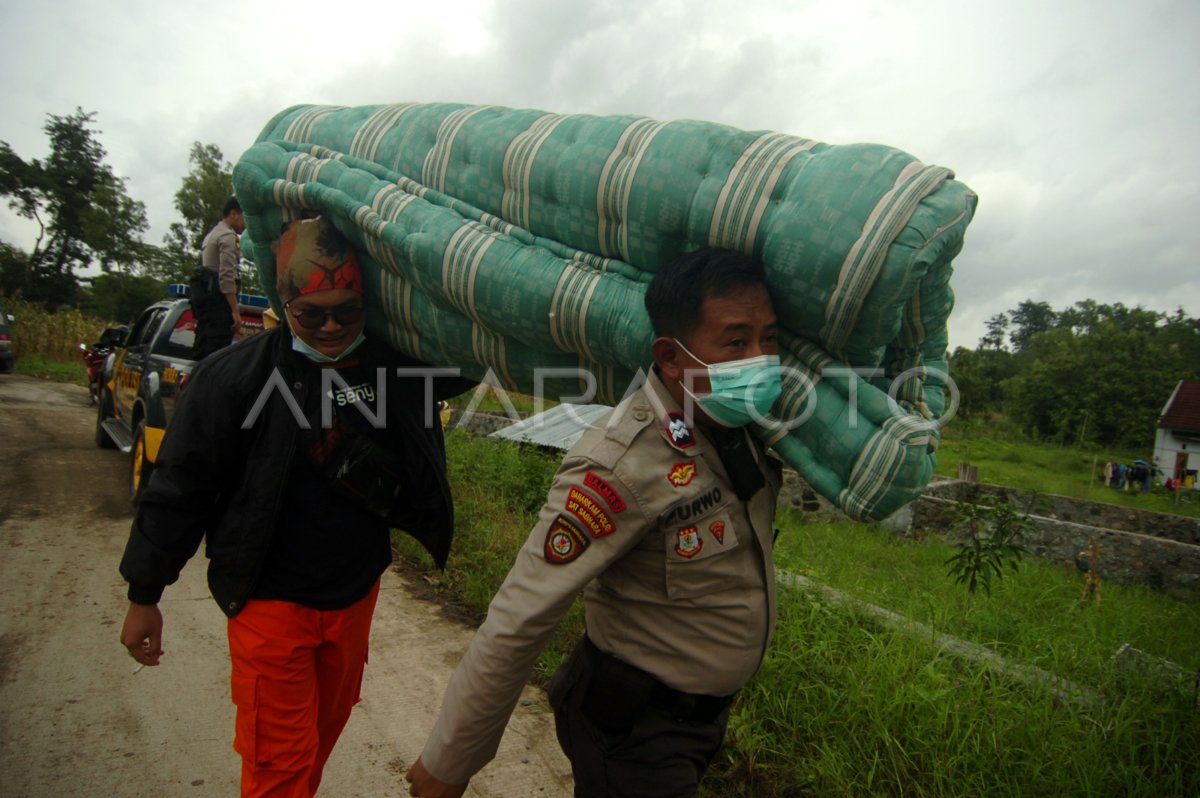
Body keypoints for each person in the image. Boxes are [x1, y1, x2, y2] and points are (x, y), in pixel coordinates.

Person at [406, 248, 784, 798]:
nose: (760, 359)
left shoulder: (738, 429)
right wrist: (451, 760)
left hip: (699, 725)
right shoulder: (619, 464)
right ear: (670, 357)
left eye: (768, 338)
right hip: (633, 733)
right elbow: (521, 615)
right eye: (735, 342)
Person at [119, 216, 471, 798]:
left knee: (318, 740)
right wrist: (144, 595)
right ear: (285, 304)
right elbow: (179, 490)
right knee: (279, 764)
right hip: (268, 602)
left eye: (346, 312)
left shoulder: (395, 369)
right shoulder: (232, 379)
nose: (331, 326)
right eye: (313, 313)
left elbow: (474, 355)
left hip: (354, 593)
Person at [191, 196, 246, 359]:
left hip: (207, 306)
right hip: (219, 305)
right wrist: (235, 311)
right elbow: (226, 276)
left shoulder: (212, 234)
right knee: (216, 357)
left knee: (203, 351)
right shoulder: (227, 236)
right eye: (245, 218)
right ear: (234, 214)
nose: (246, 224)